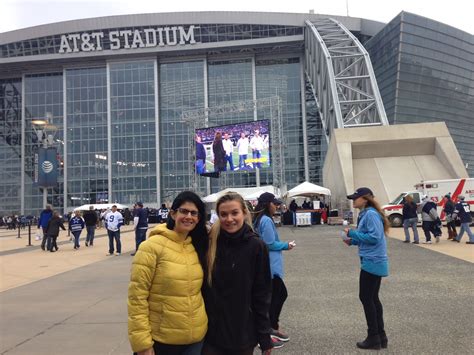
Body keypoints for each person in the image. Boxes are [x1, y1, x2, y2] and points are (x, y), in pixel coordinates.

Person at [128, 191, 208, 355]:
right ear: (173, 213)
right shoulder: (150, 247)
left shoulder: (196, 246)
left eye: (194, 213)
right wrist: (142, 343)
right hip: (163, 341)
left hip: (195, 339)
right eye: (184, 211)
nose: (189, 216)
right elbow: (137, 298)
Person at [203, 192, 274, 355]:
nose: (229, 219)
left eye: (234, 213)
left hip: (242, 335)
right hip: (210, 336)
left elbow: (261, 295)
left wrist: (264, 335)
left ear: (244, 212)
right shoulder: (209, 243)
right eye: (224, 214)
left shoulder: (256, 246)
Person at [343, 187, 389, 350]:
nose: (353, 201)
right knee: (373, 298)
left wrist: (353, 234)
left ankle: (373, 337)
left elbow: (375, 237)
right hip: (374, 260)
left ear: (364, 199)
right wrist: (353, 241)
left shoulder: (369, 214)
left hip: (372, 260)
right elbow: (370, 237)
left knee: (366, 298)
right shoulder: (369, 213)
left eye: (355, 198)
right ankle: (380, 336)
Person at [253, 192, 294, 346]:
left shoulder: (259, 219)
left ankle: (271, 327)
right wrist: (286, 245)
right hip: (271, 266)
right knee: (279, 295)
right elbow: (269, 244)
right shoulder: (266, 221)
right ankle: (271, 327)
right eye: (274, 203)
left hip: (266, 265)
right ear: (267, 204)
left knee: (274, 297)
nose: (276, 206)